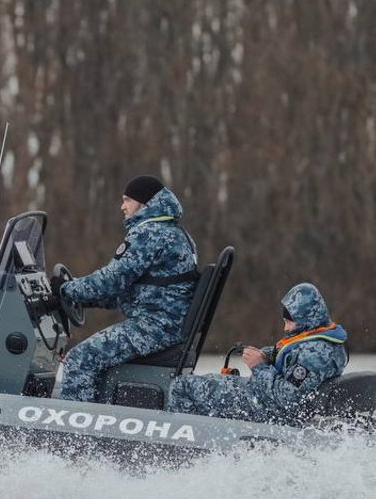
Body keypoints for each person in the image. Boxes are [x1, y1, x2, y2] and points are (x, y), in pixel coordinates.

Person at [56, 175, 198, 403]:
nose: (122, 206)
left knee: (80, 359)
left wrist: (66, 290)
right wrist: (86, 299)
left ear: (145, 203)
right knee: (91, 359)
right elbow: (137, 290)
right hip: (168, 323)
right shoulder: (176, 233)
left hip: (155, 327)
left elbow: (112, 280)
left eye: (127, 200)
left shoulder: (149, 233)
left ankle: (74, 433)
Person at [166, 282, 348, 423]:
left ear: (307, 319)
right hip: (263, 398)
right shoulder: (320, 338)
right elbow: (290, 355)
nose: (286, 328)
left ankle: (180, 452)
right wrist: (266, 355)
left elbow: (288, 398)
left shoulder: (316, 355)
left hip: (267, 408)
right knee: (203, 383)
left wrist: (259, 366)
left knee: (182, 386)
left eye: (289, 322)